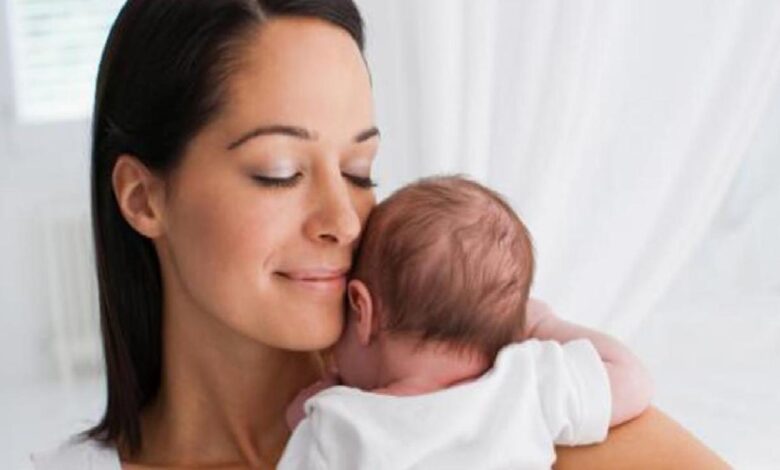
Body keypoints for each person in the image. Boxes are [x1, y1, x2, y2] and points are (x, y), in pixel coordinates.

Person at [31, 0, 729, 468]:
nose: (344, 219)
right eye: (278, 172)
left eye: (361, 170)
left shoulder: (499, 395)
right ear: (143, 197)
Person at [279, 176, 653, 469]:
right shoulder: (523, 383)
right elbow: (631, 379)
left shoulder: (338, 422)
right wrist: (540, 323)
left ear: (362, 310)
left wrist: (303, 415)